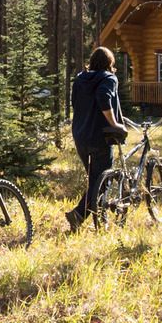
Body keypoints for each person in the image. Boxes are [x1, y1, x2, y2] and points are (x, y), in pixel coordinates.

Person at [67, 45, 125, 229]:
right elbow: (103, 97)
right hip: (100, 137)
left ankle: (94, 217)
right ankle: (79, 215)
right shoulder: (109, 78)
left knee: (95, 179)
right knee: (103, 179)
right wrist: (114, 124)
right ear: (110, 63)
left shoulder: (80, 80)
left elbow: (75, 103)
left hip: (80, 135)